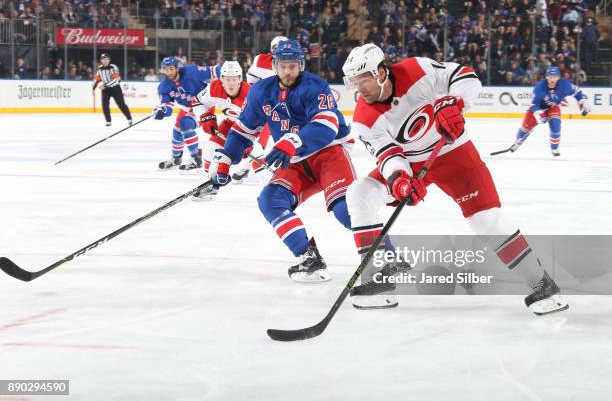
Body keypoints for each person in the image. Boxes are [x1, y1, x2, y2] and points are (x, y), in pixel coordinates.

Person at [342, 43, 568, 315]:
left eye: (363, 79)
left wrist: (455, 101)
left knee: (485, 219)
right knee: (360, 194)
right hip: (412, 163)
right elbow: (388, 155)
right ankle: (379, 274)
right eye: (353, 82)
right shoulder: (363, 120)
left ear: (380, 73)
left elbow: (466, 77)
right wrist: (400, 180)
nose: (358, 88)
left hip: (454, 153)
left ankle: (541, 283)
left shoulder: (416, 69)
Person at [208, 40, 354, 282]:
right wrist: (225, 158)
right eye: (283, 66)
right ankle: (309, 256)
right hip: (295, 161)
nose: (288, 72)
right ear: (275, 65)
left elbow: (328, 125)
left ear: (301, 65)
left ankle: (386, 257)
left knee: (345, 209)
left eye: (293, 66)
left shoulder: (315, 85)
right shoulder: (261, 91)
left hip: (328, 153)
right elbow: (244, 130)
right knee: (270, 200)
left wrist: (293, 141)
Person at [190, 61, 267, 200]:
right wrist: (205, 117)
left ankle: (270, 190)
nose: (231, 83)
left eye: (234, 79)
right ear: (221, 80)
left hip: (252, 129)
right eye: (227, 79)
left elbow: (262, 122)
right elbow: (198, 101)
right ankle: (211, 186)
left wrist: (247, 142)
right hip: (230, 124)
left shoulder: (251, 95)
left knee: (257, 152)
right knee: (209, 150)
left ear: (240, 79)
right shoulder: (214, 88)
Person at [228, 35, 289, 183]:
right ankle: (247, 169)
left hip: (284, 109)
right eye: (276, 47)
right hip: (264, 108)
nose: (279, 50)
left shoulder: (292, 65)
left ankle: (245, 168)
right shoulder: (261, 60)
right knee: (258, 141)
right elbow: (251, 80)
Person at [154, 57, 221, 171]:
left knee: (186, 124)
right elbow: (168, 108)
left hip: (203, 104)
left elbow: (215, 70)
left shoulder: (191, 72)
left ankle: (196, 158)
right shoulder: (164, 86)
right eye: (166, 69)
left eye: (171, 69)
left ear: (177, 68)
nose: (169, 72)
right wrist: (163, 111)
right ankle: (176, 159)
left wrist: (229, 80)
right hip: (187, 108)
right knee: (177, 131)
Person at [509, 66, 589, 157]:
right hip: (537, 109)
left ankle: (554, 148)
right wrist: (540, 115)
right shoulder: (539, 87)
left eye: (555, 77)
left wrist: (582, 102)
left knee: (555, 125)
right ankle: (517, 142)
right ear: (546, 77)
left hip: (552, 107)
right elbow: (534, 105)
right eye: (550, 76)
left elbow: (577, 91)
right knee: (525, 128)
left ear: (558, 77)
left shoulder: (564, 85)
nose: (552, 79)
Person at [93, 54, 132, 127]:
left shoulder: (113, 67)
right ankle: (108, 121)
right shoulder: (99, 68)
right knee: (104, 105)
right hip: (105, 89)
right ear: (101, 61)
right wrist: (94, 88)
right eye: (103, 59)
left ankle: (129, 118)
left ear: (109, 60)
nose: (105, 60)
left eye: (106, 59)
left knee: (121, 104)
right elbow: (97, 79)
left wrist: (105, 85)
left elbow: (116, 79)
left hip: (115, 88)